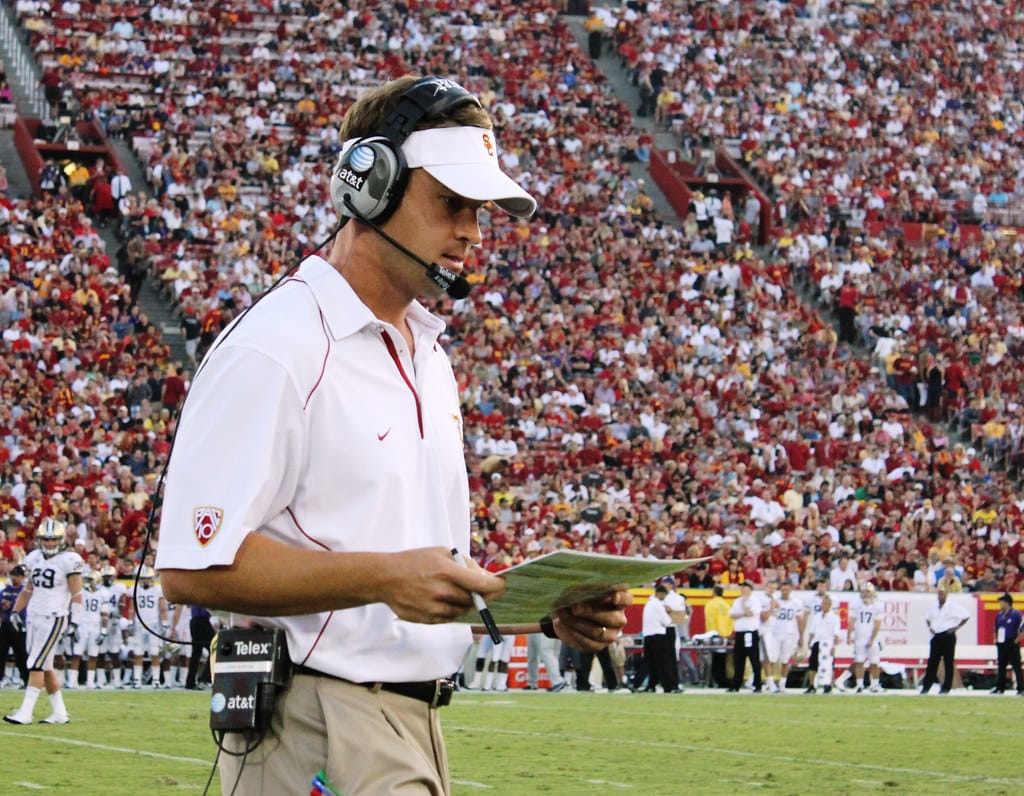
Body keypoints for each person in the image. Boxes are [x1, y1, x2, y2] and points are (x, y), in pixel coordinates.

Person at [155, 74, 631, 795]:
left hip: (404, 718)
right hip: (316, 719)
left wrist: (538, 612)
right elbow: (191, 566)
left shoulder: (424, 350)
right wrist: (385, 577)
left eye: (479, 210)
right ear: (369, 187)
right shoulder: (277, 346)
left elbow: (405, 582)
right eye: (451, 203)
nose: (472, 232)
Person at [4, 520, 84, 725]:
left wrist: (75, 621)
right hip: (34, 616)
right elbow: (28, 589)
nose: (49, 543)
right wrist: (15, 611)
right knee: (46, 666)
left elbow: (77, 594)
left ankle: (25, 712)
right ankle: (59, 713)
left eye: (53, 539)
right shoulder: (33, 558)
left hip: (54, 616)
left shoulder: (69, 559)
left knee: (36, 664)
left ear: (61, 539)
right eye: (46, 539)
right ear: (40, 540)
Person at [919, 585, 970, 694]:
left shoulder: (953, 606)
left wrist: (956, 628)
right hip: (936, 635)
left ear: (946, 594)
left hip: (948, 635)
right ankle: (926, 686)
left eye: (942, 593)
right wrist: (930, 628)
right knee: (933, 661)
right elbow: (927, 618)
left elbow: (966, 616)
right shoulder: (933, 606)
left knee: (948, 661)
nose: (940, 596)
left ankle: (946, 687)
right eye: (939, 593)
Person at [127, 565, 169, 689]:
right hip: (140, 624)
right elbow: (132, 608)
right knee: (138, 653)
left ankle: (155, 680)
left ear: (152, 579)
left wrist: (165, 623)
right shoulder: (135, 589)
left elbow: (162, 608)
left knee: (154, 653)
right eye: (143, 578)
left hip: (153, 625)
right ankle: (137, 680)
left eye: (147, 578)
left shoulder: (157, 590)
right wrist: (130, 622)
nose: (145, 581)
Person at [67, 570, 110, 690]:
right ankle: (72, 681)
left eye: (90, 580)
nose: (87, 582)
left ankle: (90, 682)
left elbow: (105, 615)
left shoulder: (103, 594)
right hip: (81, 625)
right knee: (76, 654)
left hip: (95, 626)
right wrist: (73, 627)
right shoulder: (81, 593)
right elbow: (73, 610)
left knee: (93, 655)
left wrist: (103, 632)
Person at [764, 580, 806, 693]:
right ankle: (770, 683)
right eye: (783, 589)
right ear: (780, 590)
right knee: (772, 659)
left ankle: (782, 684)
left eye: (787, 589)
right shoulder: (775, 601)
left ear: (791, 590)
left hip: (789, 634)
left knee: (785, 660)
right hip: (775, 633)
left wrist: (801, 636)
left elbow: (799, 620)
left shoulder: (796, 603)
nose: (785, 592)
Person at [728, 582, 768, 693]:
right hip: (740, 633)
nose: (744, 592)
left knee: (754, 659)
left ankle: (757, 684)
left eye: (746, 590)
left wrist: (744, 605)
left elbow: (750, 613)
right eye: (742, 590)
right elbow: (732, 615)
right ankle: (736, 684)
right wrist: (742, 613)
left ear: (750, 590)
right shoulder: (737, 601)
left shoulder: (755, 601)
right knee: (738, 660)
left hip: (750, 633)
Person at [640, 582, 680, 693]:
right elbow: (667, 621)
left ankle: (641, 683)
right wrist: (671, 615)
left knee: (649, 661)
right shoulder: (658, 604)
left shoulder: (649, 603)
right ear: (661, 594)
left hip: (648, 635)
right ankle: (668, 686)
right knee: (663, 662)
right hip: (659, 635)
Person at [847, 582, 883, 693]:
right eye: (864, 592)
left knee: (874, 662)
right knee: (859, 662)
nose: (866, 594)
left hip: (872, 638)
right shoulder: (856, 604)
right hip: (859, 637)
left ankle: (875, 685)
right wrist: (849, 635)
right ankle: (859, 685)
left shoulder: (877, 605)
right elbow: (851, 621)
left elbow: (877, 624)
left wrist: (872, 639)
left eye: (868, 592)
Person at [806, 594, 842, 694]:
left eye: (825, 603)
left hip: (828, 643)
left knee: (829, 664)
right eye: (822, 603)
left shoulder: (835, 617)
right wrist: (810, 641)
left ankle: (828, 685)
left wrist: (834, 646)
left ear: (830, 605)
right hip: (817, 642)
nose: (823, 605)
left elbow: (836, 633)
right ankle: (812, 685)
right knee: (813, 664)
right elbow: (812, 631)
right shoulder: (817, 617)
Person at [0, 564, 28, 687]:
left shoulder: (24, 591)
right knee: (1, 652)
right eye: (13, 575)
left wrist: (10, 606)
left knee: (21, 653)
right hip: (5, 624)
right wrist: (3, 605)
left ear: (22, 577)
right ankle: (1, 679)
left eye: (17, 576)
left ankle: (26, 680)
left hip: (18, 624)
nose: (14, 578)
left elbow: (23, 606)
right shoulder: (5, 590)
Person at [992, 593, 1023, 694]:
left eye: (1002, 602)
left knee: (1016, 666)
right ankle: (1000, 687)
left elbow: (1022, 629)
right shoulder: (999, 615)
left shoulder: (1016, 614)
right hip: (1002, 642)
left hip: (1012, 642)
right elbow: (996, 628)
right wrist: (995, 639)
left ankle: (1020, 688)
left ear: (1007, 603)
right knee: (1001, 666)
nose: (1000, 604)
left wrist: (1016, 641)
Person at [802, 579, 830, 693]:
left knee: (828, 662)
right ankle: (812, 685)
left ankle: (827, 684)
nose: (821, 588)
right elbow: (806, 616)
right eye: (819, 586)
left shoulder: (832, 599)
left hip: (828, 637)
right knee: (813, 661)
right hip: (816, 635)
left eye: (823, 586)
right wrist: (805, 635)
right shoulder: (811, 600)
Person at [702, 585, 733, 688]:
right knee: (722, 659)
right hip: (725, 635)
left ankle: (715, 680)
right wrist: (727, 632)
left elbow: (709, 620)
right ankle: (723, 680)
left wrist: (710, 633)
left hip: (714, 634)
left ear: (714, 592)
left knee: (714, 660)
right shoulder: (726, 605)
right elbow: (730, 620)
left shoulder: (710, 604)